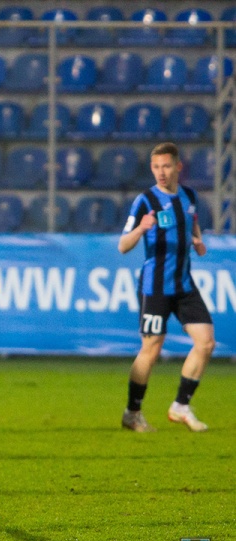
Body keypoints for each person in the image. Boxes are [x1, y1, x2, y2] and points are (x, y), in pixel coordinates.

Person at [119, 142, 215, 433]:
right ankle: (132, 413)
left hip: (184, 285)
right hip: (155, 287)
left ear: (178, 167)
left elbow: (191, 220)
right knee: (151, 350)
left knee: (206, 342)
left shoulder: (189, 196)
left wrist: (197, 239)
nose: (161, 172)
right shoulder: (145, 201)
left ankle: (181, 406)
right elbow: (123, 245)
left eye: (166, 166)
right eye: (156, 167)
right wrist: (141, 228)